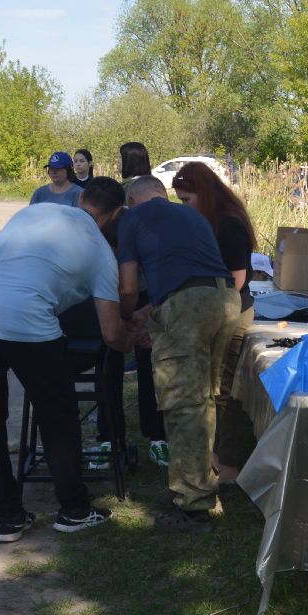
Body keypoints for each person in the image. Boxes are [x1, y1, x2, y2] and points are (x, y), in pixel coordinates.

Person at [0, 176, 134, 541]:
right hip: (28, 318)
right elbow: (112, 334)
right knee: (58, 415)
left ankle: (8, 517)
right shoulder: (100, 251)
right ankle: (74, 510)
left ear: (81, 197)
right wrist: (136, 339)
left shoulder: (33, 212)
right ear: (118, 213)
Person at [119, 176, 240, 531]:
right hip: (224, 300)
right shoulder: (191, 216)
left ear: (133, 198)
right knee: (205, 397)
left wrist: (127, 317)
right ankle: (196, 483)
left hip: (189, 307)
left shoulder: (132, 218)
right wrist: (150, 314)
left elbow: (128, 286)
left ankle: (194, 506)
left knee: (183, 404)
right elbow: (189, 276)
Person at [171, 161, 257, 478]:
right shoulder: (203, 221)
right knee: (208, 386)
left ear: (203, 193)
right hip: (214, 309)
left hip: (231, 311)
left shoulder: (228, 223)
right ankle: (211, 457)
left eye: (186, 201)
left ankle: (229, 463)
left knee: (225, 389)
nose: (184, 208)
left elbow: (236, 280)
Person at [117, 140, 165, 448]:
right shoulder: (157, 188)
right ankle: (156, 430)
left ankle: (151, 428)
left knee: (145, 354)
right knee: (153, 359)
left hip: (136, 281)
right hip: (159, 281)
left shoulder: (126, 192)